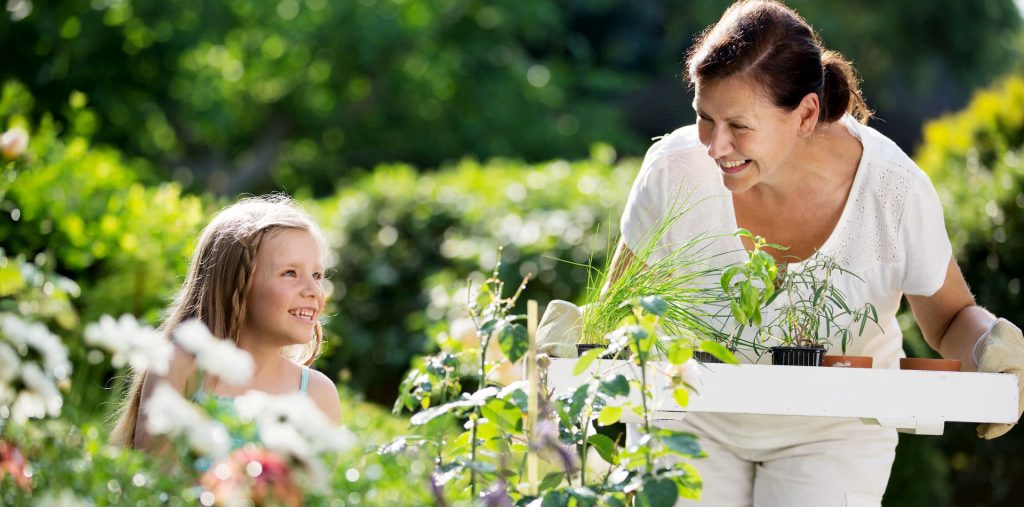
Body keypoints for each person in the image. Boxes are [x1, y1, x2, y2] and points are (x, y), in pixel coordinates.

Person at [539, 1, 1024, 505]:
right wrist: (578, 342)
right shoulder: (674, 170)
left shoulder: (892, 190)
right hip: (690, 414)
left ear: (806, 113)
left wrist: (990, 349)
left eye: (739, 126)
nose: (715, 146)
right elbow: (624, 306)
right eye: (704, 118)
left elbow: (948, 321)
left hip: (836, 430)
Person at [110, 194, 343, 450]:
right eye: (290, 273)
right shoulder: (181, 366)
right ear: (236, 284)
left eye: (317, 275)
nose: (313, 290)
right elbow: (156, 479)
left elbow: (322, 488)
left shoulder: (318, 393)